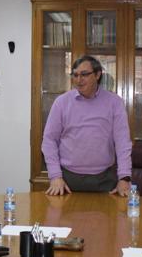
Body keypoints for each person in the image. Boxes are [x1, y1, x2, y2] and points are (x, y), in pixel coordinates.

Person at [41, 55, 133, 196]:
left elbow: (123, 143)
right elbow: (49, 141)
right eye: (75, 75)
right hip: (66, 181)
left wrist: (124, 177)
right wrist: (55, 176)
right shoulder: (61, 102)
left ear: (97, 74)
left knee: (109, 218)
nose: (79, 80)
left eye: (84, 74)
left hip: (105, 179)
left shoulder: (114, 102)